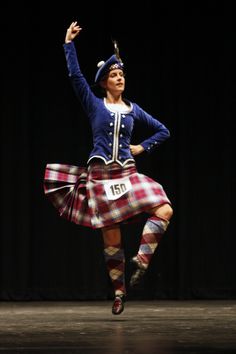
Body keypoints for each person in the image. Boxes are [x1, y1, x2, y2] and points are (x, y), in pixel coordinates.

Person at [44, 21, 173, 315]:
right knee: (111, 237)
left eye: (121, 74)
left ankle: (142, 258)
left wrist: (142, 147)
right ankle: (118, 293)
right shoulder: (94, 104)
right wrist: (68, 44)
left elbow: (163, 131)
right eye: (114, 75)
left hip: (127, 174)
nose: (119, 78)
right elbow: (76, 77)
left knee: (164, 208)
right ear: (103, 82)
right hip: (102, 179)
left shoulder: (133, 109)